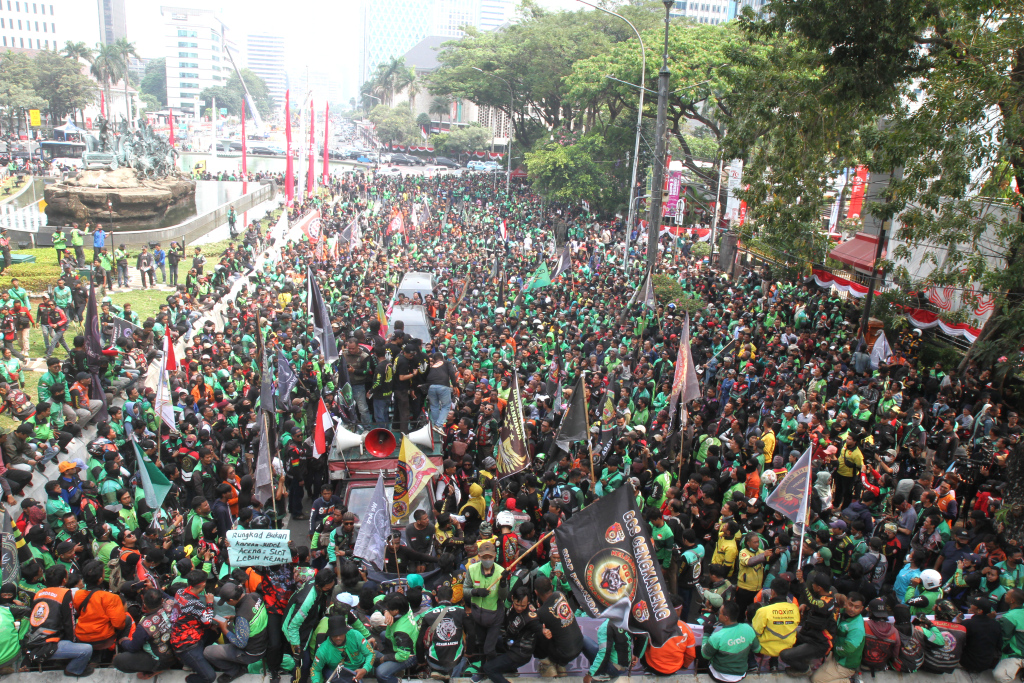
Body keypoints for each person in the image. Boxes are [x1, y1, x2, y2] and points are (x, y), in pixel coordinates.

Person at [24, 565, 94, 677]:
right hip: (48, 645)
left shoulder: (39, 593)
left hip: (33, 641)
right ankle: (73, 670)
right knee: (87, 649)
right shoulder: (65, 593)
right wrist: (73, 642)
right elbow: (69, 622)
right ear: (64, 580)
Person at [473, 584, 542, 683]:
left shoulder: (531, 617)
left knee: (489, 668)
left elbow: (538, 627)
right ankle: (501, 669)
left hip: (519, 653)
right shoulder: (509, 606)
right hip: (510, 642)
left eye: (523, 606)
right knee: (488, 642)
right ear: (513, 598)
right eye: (517, 604)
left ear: (528, 602)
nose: (519, 608)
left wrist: (544, 631)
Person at [204, 582, 271, 683]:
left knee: (208, 652)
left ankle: (235, 670)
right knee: (229, 626)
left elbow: (241, 643)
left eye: (226, 602)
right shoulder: (254, 596)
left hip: (252, 653)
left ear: (231, 600)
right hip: (264, 641)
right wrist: (234, 618)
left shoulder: (242, 617)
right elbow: (252, 615)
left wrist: (224, 630)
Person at [811, 592, 865, 683]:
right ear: (846, 602)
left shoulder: (857, 628)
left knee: (816, 680)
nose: (852, 609)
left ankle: (851, 681)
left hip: (845, 664)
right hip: (835, 656)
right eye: (850, 605)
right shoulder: (840, 612)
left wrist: (832, 648)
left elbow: (848, 649)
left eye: (856, 607)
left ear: (861, 609)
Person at [700, 600, 759, 683]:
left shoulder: (717, 636)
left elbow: (705, 655)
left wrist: (706, 634)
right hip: (740, 674)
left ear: (726, 618)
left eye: (720, 613)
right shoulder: (748, 629)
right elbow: (757, 649)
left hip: (719, 675)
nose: (718, 614)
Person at [309, 615, 374, 683]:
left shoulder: (355, 635)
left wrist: (365, 669)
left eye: (340, 634)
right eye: (334, 635)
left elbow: (370, 654)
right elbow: (315, 670)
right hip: (340, 674)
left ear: (345, 632)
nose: (338, 638)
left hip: (362, 664)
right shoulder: (322, 650)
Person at [374, 592, 420, 683]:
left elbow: (403, 656)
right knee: (383, 634)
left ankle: (397, 681)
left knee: (381, 673)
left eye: (388, 608)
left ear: (396, 611)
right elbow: (377, 598)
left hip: (408, 655)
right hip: (403, 641)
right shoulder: (405, 604)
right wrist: (386, 611)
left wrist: (386, 658)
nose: (386, 609)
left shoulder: (401, 631)